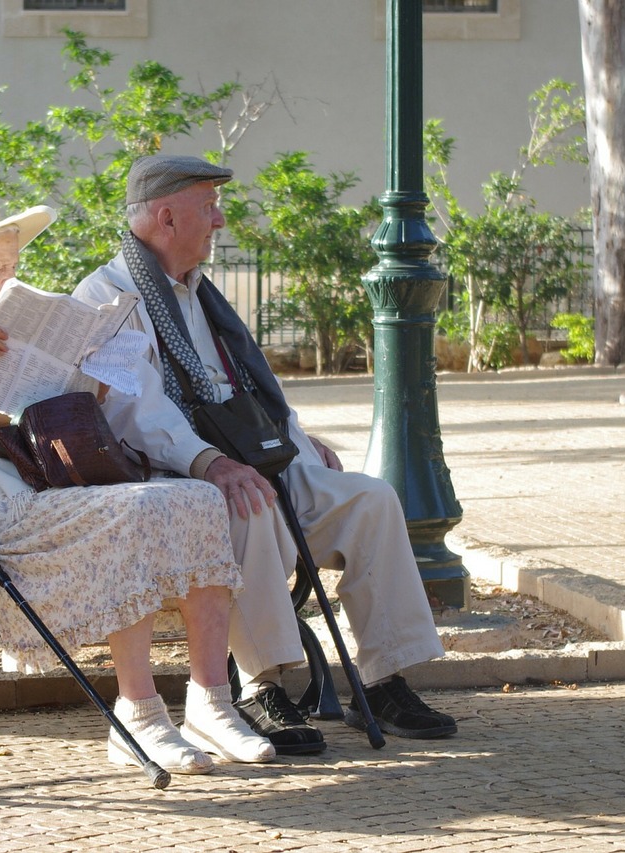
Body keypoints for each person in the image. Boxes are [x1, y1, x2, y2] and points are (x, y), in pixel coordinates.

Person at [0, 196, 278, 774]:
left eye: (14, 264)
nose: (13, 277)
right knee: (127, 514)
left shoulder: (13, 323)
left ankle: (210, 702)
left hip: (41, 471)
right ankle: (138, 713)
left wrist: (89, 379)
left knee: (197, 497)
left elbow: (49, 407)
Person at [72, 155, 458, 754]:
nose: (221, 221)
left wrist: (299, 444)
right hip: (182, 477)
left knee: (370, 499)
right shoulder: (107, 295)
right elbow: (134, 411)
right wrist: (211, 463)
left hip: (250, 460)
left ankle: (383, 679)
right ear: (166, 217)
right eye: (209, 207)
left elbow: (246, 389)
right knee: (247, 504)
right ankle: (263, 685)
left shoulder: (200, 294)